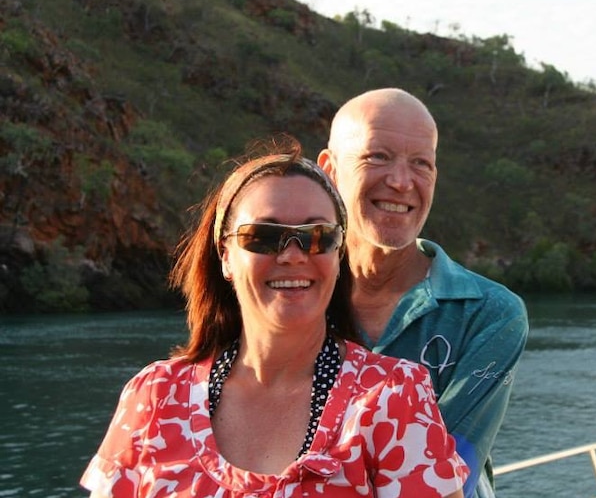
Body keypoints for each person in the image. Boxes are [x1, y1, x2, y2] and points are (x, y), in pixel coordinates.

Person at [80, 137, 468, 498]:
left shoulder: (393, 398)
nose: (293, 254)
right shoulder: (153, 396)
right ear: (226, 255)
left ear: (338, 254)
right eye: (264, 236)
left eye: (317, 235)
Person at [317, 88, 529, 498]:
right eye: (377, 156)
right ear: (330, 169)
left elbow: (443, 474)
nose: (401, 182)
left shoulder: (488, 315)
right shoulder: (292, 298)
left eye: (421, 164)